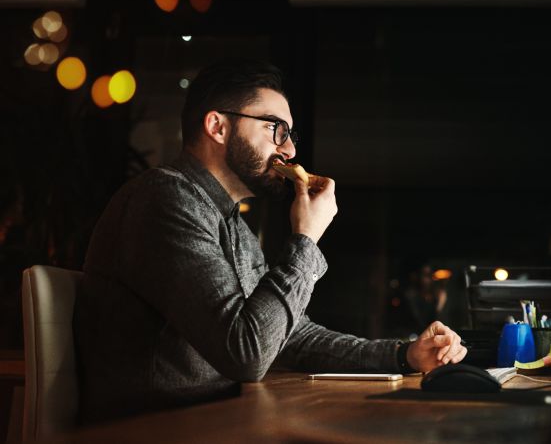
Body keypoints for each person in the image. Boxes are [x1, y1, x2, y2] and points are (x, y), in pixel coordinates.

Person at [74, 59, 467, 424]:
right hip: (156, 429)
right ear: (218, 126)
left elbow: (290, 336)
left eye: (290, 134)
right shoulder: (164, 200)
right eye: (274, 128)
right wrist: (306, 238)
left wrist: (403, 354)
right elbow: (246, 353)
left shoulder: (229, 221)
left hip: (218, 421)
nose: (291, 149)